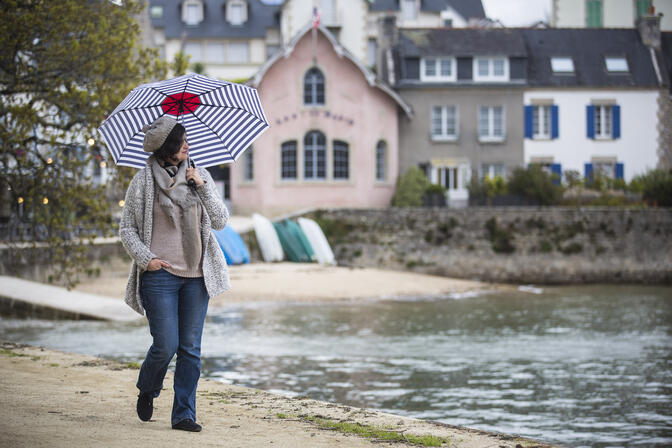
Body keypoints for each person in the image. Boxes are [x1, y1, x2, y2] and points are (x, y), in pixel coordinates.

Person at [119, 115, 230, 432]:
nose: (187, 145)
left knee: (191, 350)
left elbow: (221, 221)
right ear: (165, 148)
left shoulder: (200, 175)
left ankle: (184, 414)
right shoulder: (142, 182)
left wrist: (203, 188)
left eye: (185, 140)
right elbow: (127, 230)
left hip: (197, 277)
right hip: (160, 277)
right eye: (180, 142)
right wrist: (147, 259)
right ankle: (148, 387)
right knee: (165, 345)